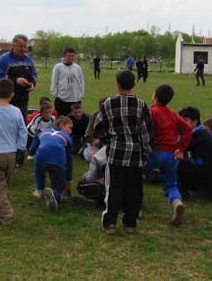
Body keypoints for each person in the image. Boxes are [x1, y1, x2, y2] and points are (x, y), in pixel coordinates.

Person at [94, 69, 153, 235]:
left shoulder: (108, 104)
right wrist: (145, 151)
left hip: (115, 153)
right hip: (135, 154)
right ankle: (130, 223)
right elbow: (146, 133)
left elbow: (99, 128)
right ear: (134, 84)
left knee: (113, 188)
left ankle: (110, 223)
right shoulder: (141, 105)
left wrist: (109, 139)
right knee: (134, 189)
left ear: (117, 84)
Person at [144, 84, 192, 225]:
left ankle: (135, 207)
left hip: (154, 153)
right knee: (171, 184)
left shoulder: (151, 112)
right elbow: (188, 129)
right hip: (171, 155)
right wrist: (181, 149)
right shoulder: (172, 114)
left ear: (155, 96)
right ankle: (177, 202)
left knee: (134, 175)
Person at [0, 79, 27, 225]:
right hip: (11, 154)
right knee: (3, 185)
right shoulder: (16, 112)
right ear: (12, 94)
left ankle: (6, 216)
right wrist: (21, 149)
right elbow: (22, 131)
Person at [177, 107, 212, 198]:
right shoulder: (205, 134)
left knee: (176, 161)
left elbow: (179, 147)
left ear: (195, 122)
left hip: (206, 175)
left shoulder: (196, 134)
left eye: (185, 120)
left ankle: (185, 193)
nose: (182, 123)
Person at [29, 116, 74, 212]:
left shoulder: (44, 131)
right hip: (57, 161)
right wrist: (69, 178)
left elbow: (32, 148)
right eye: (69, 128)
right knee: (59, 183)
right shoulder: (67, 138)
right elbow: (69, 160)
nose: (70, 131)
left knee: (39, 173)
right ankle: (55, 195)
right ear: (62, 125)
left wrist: (32, 151)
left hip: (40, 158)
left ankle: (40, 190)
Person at [0, 34, 37, 121]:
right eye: (21, 46)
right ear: (13, 45)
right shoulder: (4, 59)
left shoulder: (28, 60)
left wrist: (32, 83)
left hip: (23, 99)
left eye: (25, 46)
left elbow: (34, 74)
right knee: (6, 125)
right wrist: (15, 80)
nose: (23, 49)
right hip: (6, 99)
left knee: (21, 125)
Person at [50, 47, 85, 116]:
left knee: (74, 120)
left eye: (72, 56)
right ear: (64, 56)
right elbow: (54, 81)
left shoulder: (77, 68)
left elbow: (81, 82)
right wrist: (55, 94)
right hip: (62, 99)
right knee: (61, 120)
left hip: (75, 99)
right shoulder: (58, 67)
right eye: (68, 56)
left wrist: (81, 94)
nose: (70, 58)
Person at [82, 97, 107, 162]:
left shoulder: (113, 115)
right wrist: (92, 141)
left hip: (106, 141)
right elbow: (89, 130)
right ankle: (85, 149)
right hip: (95, 140)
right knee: (89, 158)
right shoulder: (95, 114)